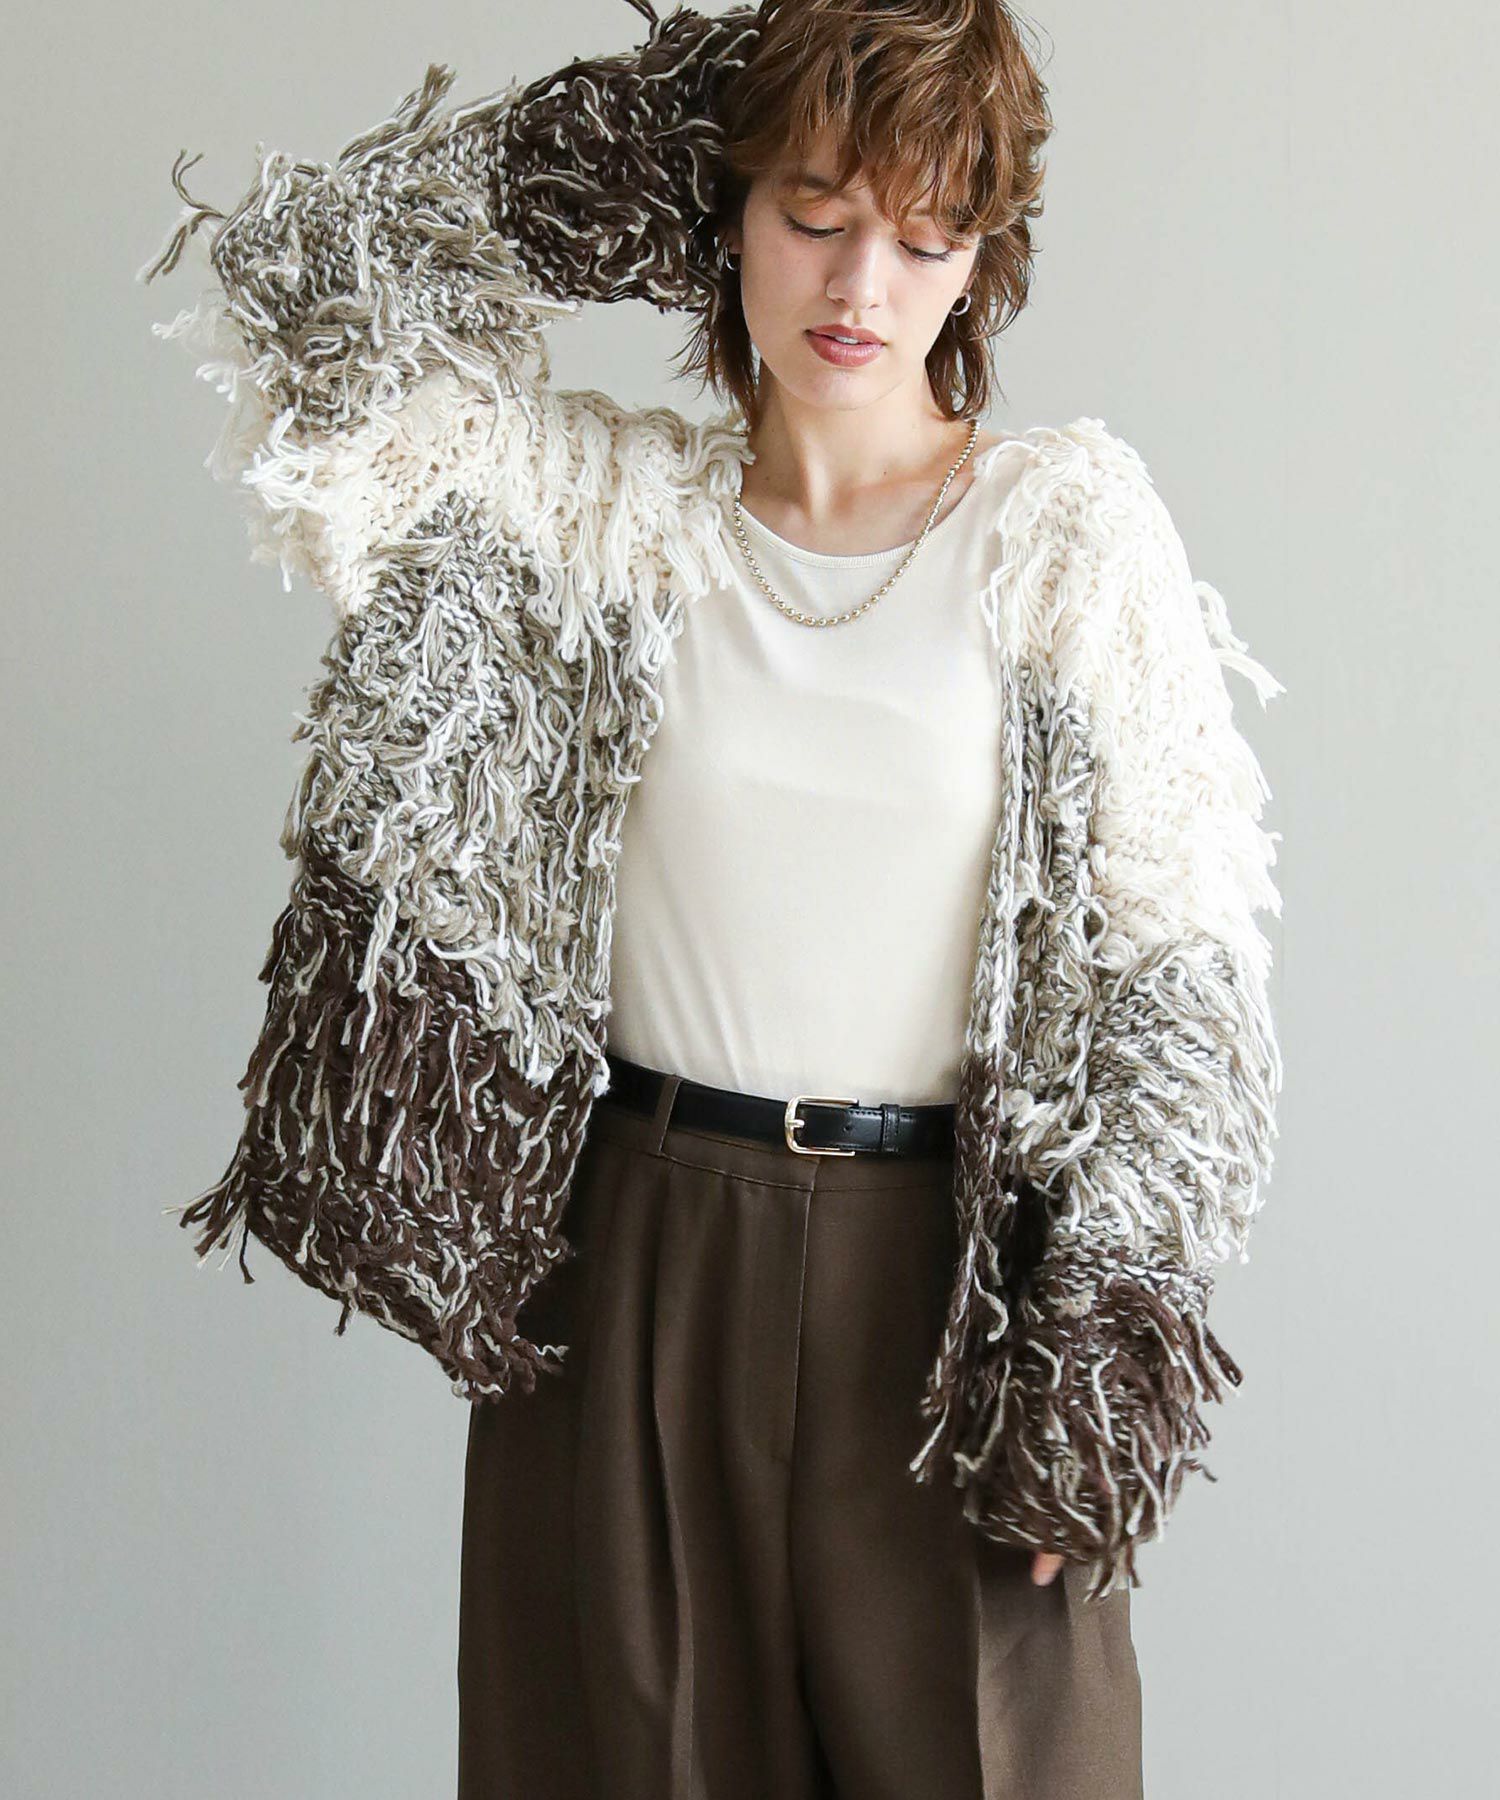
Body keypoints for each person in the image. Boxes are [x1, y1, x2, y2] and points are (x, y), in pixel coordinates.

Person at [142, 3, 1283, 1796]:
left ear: (980, 260)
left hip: (952, 1296)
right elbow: (311, 278)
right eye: (814, 211)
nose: (863, 285)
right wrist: (646, 124)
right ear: (723, 207)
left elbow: (1176, 974)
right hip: (637, 1259)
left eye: (926, 236)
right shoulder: (593, 516)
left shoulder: (1059, 534)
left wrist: (1100, 1351)